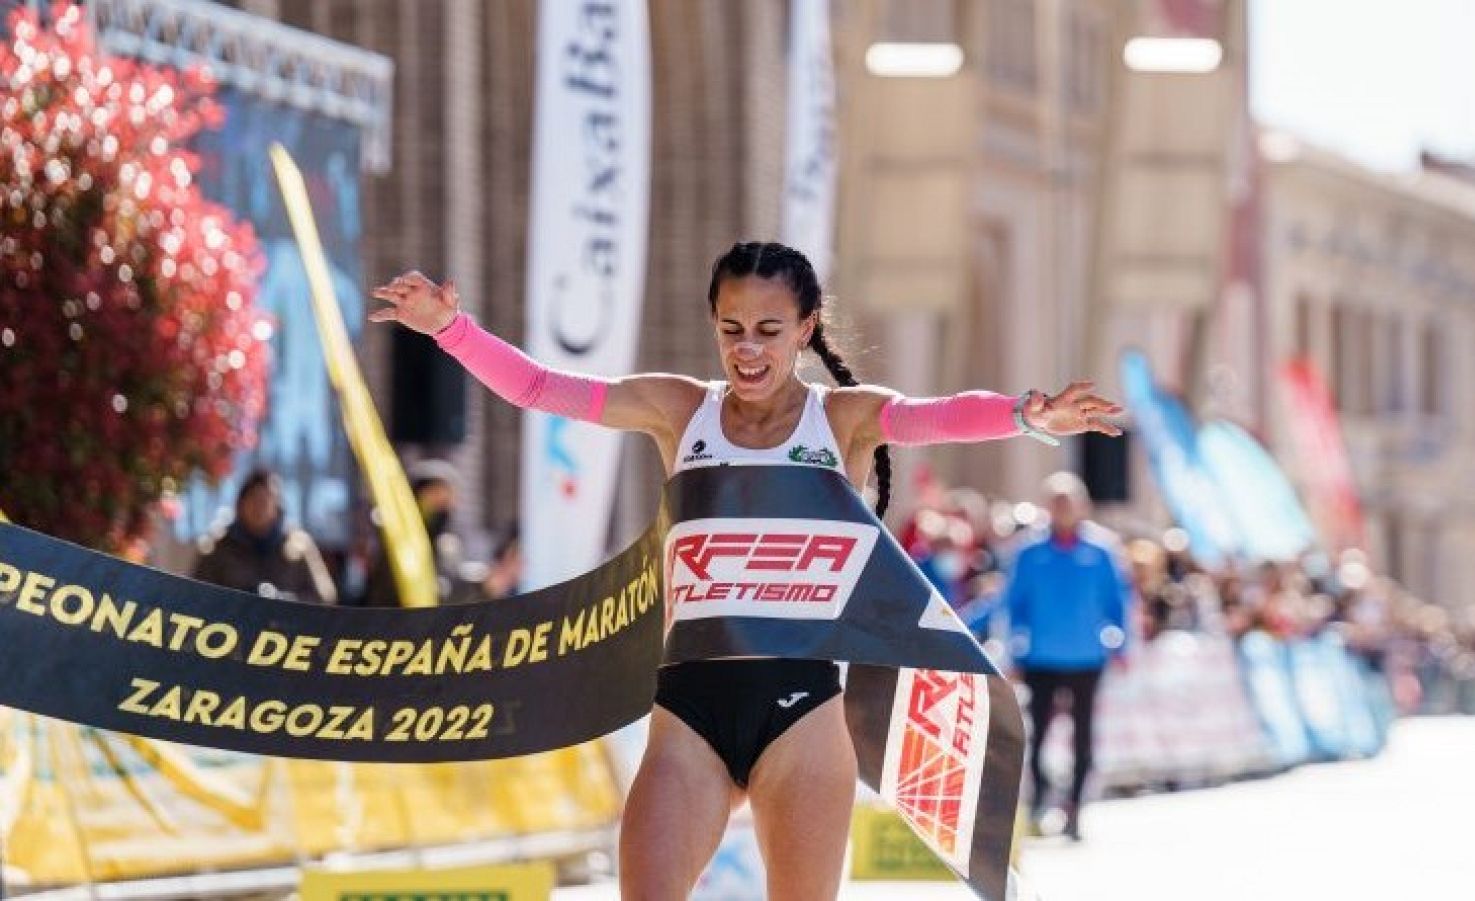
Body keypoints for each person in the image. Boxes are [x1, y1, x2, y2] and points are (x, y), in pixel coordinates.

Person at [369, 241, 1122, 900]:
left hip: (800, 720)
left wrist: (1027, 416)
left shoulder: (842, 419)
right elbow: (542, 388)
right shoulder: (678, 410)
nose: (748, 349)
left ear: (805, 329)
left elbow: (933, 414)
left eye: (768, 331)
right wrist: (450, 330)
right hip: (687, 715)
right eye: (731, 330)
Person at [1003, 471, 1129, 840]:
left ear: (1082, 506)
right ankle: (1040, 801)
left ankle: (1075, 807)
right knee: (1038, 735)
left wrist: (1120, 645)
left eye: (1069, 502)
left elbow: (1118, 603)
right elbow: (1013, 606)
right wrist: (1013, 650)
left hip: (1087, 658)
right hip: (1040, 658)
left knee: (1083, 738)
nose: (1062, 509)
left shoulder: (1102, 551)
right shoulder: (1028, 552)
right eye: (1056, 502)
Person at [192, 469, 337, 604]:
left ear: (276, 507)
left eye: (265, 501)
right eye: (254, 500)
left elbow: (324, 597)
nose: (259, 508)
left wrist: (282, 601)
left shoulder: (298, 547)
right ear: (241, 505)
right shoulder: (218, 547)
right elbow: (197, 596)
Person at [361, 459, 468, 606]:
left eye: (446, 498)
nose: (441, 504)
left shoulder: (447, 545)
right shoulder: (391, 532)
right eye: (435, 494)